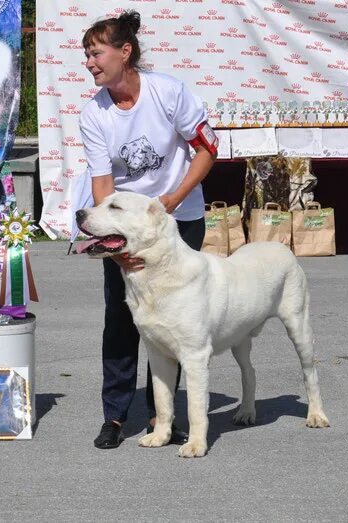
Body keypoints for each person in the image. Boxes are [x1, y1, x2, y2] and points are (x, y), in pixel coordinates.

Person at [78, 10, 219, 449]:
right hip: (125, 226)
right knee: (121, 318)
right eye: (85, 55)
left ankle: (165, 416)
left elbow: (207, 148)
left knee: (177, 321)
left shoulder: (169, 92)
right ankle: (115, 417)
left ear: (125, 52)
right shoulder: (94, 114)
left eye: (96, 53)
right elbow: (103, 187)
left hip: (179, 219)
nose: (89, 62)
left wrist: (172, 200)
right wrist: (112, 243)